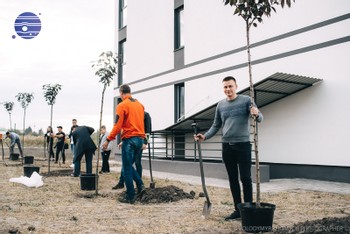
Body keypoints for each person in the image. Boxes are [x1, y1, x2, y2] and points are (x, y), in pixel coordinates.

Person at [194, 76, 263, 221]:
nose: (228, 89)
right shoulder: (220, 105)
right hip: (227, 147)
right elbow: (216, 125)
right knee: (233, 179)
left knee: (245, 178)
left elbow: (260, 118)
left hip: (243, 145)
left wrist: (256, 114)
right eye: (225, 87)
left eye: (230, 86)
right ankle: (238, 210)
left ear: (236, 86)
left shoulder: (246, 101)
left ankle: (248, 209)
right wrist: (204, 136)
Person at [102, 84, 146, 204]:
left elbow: (117, 126)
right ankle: (140, 185)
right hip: (140, 139)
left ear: (121, 93)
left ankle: (130, 196)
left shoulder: (122, 105)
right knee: (130, 166)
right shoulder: (140, 105)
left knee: (126, 167)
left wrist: (108, 139)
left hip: (130, 140)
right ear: (129, 92)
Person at [112, 111, 151, 190]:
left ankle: (139, 185)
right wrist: (123, 141)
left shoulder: (145, 115)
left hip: (140, 141)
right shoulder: (133, 114)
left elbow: (148, 130)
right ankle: (121, 182)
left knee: (137, 162)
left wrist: (145, 142)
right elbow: (130, 130)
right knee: (126, 162)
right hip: (130, 140)